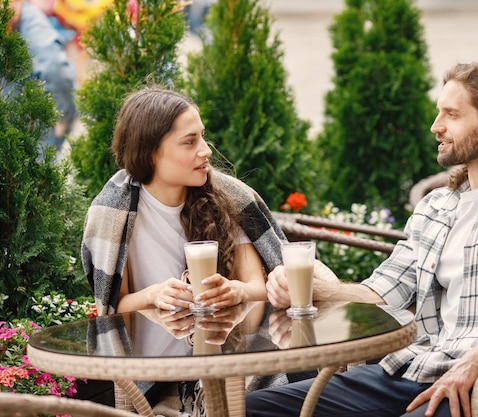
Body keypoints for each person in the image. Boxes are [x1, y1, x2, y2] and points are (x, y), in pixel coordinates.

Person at [247, 61, 478, 417]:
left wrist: (475, 362)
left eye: (451, 114)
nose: (436, 127)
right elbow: (383, 292)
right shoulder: (438, 204)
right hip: (414, 368)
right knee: (246, 408)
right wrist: (318, 288)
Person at [81, 87, 328, 413]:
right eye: (190, 141)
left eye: (203, 137)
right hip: (156, 381)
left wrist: (234, 290)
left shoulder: (225, 197)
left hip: (227, 365)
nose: (206, 150)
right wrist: (154, 295)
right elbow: (114, 306)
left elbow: (256, 286)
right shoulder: (114, 215)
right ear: (150, 152)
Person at [9, 0, 78, 158]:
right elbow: (57, 69)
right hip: (30, 131)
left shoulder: (27, 22)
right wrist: (64, 114)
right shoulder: (26, 20)